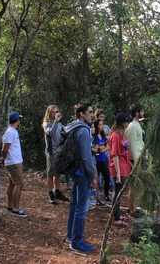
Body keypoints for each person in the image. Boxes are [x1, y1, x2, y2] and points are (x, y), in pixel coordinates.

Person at [65, 103, 97, 252]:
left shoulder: (71, 127)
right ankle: (76, 241)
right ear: (81, 114)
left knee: (74, 205)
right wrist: (93, 175)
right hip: (82, 173)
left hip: (74, 171)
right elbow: (86, 156)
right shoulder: (83, 131)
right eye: (90, 112)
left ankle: (71, 236)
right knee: (81, 208)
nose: (92, 115)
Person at [0, 112, 27, 218]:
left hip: (14, 161)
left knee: (12, 183)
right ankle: (16, 208)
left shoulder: (12, 131)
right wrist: (4, 158)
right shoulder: (10, 132)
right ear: (17, 120)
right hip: (13, 162)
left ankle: (10, 206)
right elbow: (5, 149)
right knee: (19, 184)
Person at [109, 112, 133, 227]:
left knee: (119, 192)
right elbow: (115, 155)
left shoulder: (122, 135)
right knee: (117, 192)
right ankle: (117, 219)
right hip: (118, 168)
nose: (128, 122)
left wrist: (129, 164)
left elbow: (124, 152)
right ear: (122, 123)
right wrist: (118, 172)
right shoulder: (115, 136)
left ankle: (118, 215)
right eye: (127, 121)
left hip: (124, 167)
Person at [42, 105, 69, 204]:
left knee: (57, 172)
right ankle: (50, 193)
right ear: (49, 113)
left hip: (59, 151)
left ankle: (57, 191)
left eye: (57, 111)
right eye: (54, 112)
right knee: (50, 173)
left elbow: (65, 132)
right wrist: (56, 122)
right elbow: (51, 133)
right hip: (51, 152)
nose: (56, 114)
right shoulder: (46, 124)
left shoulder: (60, 124)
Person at [125, 103, 145, 218]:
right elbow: (132, 145)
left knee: (137, 185)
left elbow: (139, 143)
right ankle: (131, 209)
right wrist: (136, 162)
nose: (143, 113)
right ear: (137, 113)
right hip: (134, 160)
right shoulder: (132, 126)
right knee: (133, 185)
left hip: (139, 158)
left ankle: (135, 206)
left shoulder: (137, 125)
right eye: (142, 111)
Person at [95, 109, 114, 192]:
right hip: (96, 157)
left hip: (105, 154)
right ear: (96, 117)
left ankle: (109, 187)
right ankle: (98, 190)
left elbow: (109, 140)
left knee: (107, 171)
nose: (102, 118)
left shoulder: (106, 128)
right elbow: (95, 145)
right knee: (97, 174)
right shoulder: (93, 130)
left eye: (103, 117)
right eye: (101, 117)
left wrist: (102, 149)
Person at [93, 119, 111, 202]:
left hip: (103, 158)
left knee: (106, 177)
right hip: (96, 160)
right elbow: (95, 147)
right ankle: (97, 196)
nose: (102, 126)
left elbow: (108, 146)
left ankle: (106, 194)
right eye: (100, 125)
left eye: (102, 125)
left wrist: (101, 150)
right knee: (97, 178)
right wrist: (101, 148)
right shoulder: (94, 136)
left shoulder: (103, 135)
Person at [90, 122, 107, 208]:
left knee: (97, 179)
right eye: (92, 127)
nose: (94, 129)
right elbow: (92, 149)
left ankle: (97, 198)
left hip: (95, 161)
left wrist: (97, 149)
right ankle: (90, 200)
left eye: (94, 127)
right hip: (92, 161)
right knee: (93, 180)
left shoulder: (93, 138)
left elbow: (104, 146)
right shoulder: (90, 137)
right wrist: (95, 149)